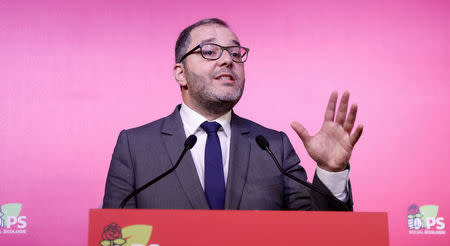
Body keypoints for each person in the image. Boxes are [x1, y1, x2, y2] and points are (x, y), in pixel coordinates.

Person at [102, 18, 363, 212]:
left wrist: (331, 170)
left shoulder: (273, 147)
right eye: (209, 51)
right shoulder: (135, 147)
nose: (228, 61)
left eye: (235, 53)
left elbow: (318, 237)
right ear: (180, 73)